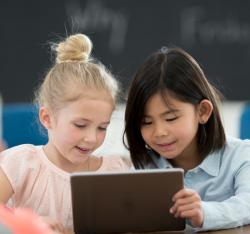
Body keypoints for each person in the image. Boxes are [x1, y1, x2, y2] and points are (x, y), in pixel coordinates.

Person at [0, 33, 129, 233]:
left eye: (102, 127)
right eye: (80, 125)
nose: (92, 138)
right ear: (47, 118)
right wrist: (27, 225)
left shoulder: (114, 171)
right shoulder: (20, 163)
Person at [123, 47, 250, 231]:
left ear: (202, 112)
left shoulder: (241, 156)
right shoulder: (143, 170)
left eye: (171, 118)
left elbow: (247, 203)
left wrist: (204, 213)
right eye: (146, 122)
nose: (159, 132)